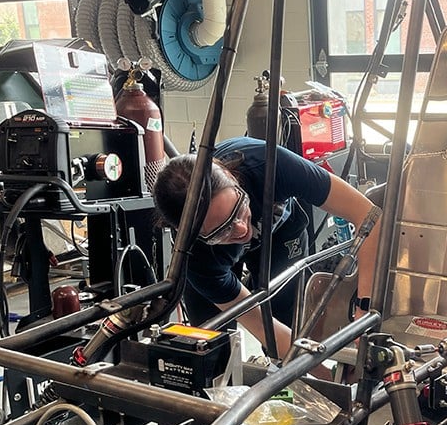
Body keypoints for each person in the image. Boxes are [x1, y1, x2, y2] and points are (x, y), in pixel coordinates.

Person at [152, 136, 378, 357]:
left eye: (239, 209)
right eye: (223, 229)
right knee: (209, 343)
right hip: (215, 256)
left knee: (291, 314)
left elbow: (370, 216)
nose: (242, 230)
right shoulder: (197, 258)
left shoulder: (270, 165)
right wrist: (332, 385)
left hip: (280, 233)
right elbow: (261, 326)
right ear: (196, 235)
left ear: (233, 178)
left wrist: (364, 308)